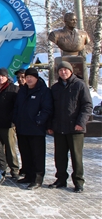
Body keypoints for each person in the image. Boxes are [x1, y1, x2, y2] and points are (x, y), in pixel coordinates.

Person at [48, 61, 92, 193]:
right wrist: (50, 125)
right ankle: (61, 179)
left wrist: (81, 123)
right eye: (60, 70)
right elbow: (50, 109)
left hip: (75, 128)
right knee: (60, 156)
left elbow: (87, 106)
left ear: (71, 71)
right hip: (59, 128)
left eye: (65, 70)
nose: (63, 72)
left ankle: (78, 182)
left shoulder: (79, 85)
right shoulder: (55, 88)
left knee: (76, 157)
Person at [13, 68, 53, 190]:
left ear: (36, 78)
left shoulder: (43, 91)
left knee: (37, 155)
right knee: (25, 153)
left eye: (31, 77)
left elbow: (47, 109)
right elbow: (16, 107)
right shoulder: (22, 90)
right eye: (27, 77)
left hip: (36, 129)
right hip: (22, 127)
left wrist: (39, 120)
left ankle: (37, 178)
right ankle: (29, 175)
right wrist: (16, 119)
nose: (28, 79)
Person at [0, 68, 20, 179]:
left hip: (8, 125)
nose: (0, 78)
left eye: (3, 76)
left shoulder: (13, 89)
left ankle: (14, 169)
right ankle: (1, 168)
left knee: (10, 149)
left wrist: (13, 120)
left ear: (7, 77)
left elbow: (16, 107)